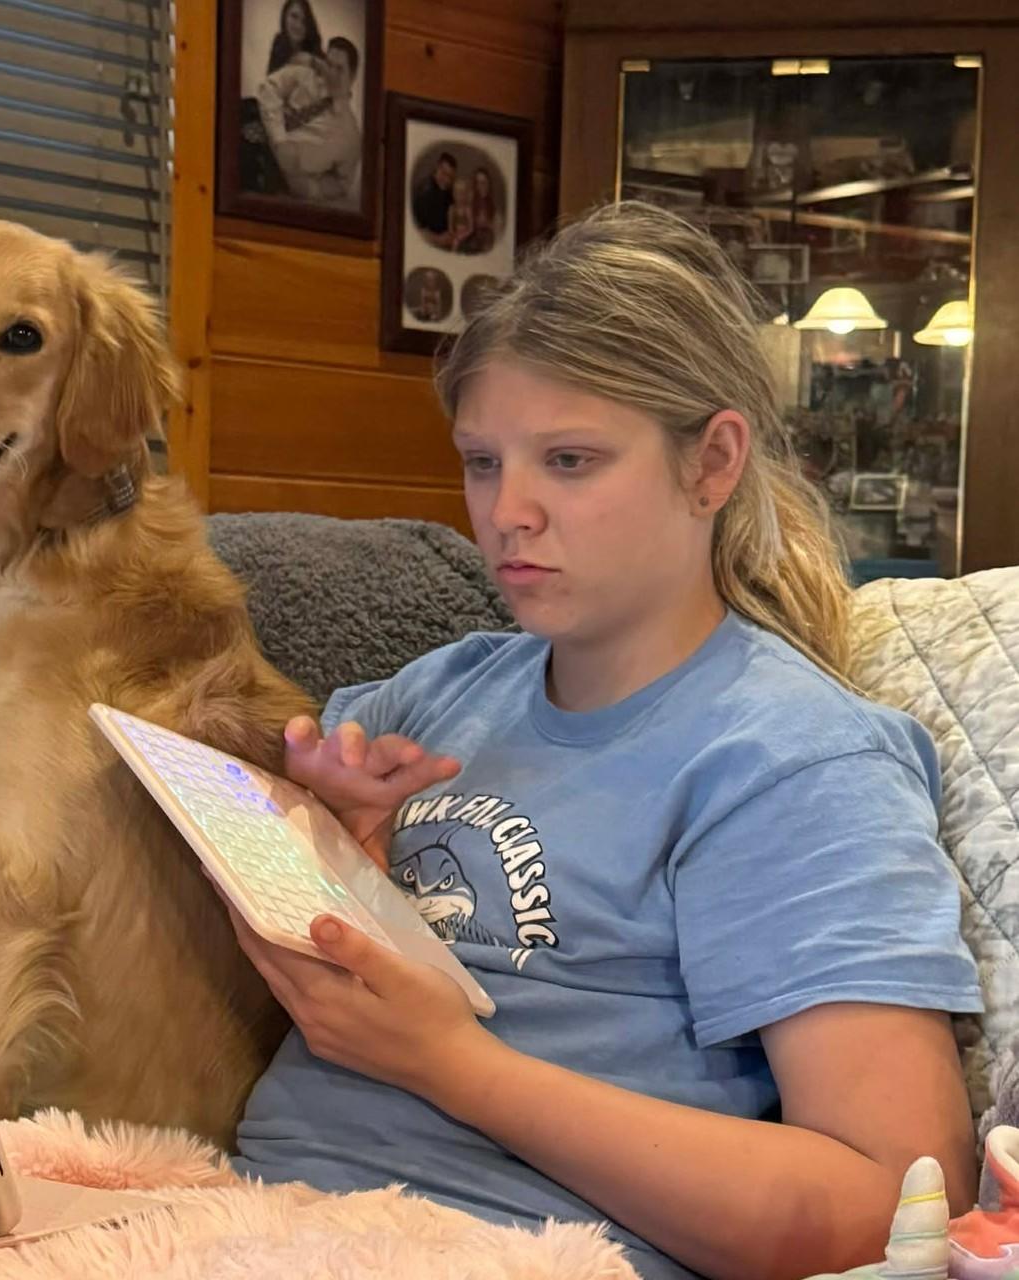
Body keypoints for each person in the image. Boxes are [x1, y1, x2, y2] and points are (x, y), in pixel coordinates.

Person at [224, 202, 981, 1280]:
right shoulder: (436, 694)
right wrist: (318, 831)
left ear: (711, 463)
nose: (508, 512)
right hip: (240, 1208)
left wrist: (451, 1064)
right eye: (482, 462)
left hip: (500, 1252)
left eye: (570, 460)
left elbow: (896, 1204)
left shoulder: (791, 762)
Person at [253, 37, 361, 204]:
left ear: (352, 76)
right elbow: (268, 87)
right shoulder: (305, 76)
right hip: (253, 123)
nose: (331, 74)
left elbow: (341, 184)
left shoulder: (350, 136)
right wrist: (279, 139)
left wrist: (311, 189)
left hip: (274, 178)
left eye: (339, 69)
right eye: (329, 65)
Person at [266, 0, 323, 74]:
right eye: (294, 16)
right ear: (284, 16)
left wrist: (314, 62)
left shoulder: (314, 51)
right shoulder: (279, 43)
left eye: (304, 21)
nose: (298, 25)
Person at [412, 151, 457, 239]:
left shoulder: (448, 189)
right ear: (437, 167)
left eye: (450, 177)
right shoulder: (424, 192)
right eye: (444, 173)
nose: (447, 180)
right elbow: (419, 230)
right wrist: (438, 239)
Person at [464, 164, 498, 254]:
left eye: (483, 183)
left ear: (489, 184)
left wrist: (488, 224)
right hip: (472, 239)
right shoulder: (472, 201)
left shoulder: (492, 205)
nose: (480, 186)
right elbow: (469, 226)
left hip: (487, 241)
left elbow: (495, 229)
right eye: (477, 183)